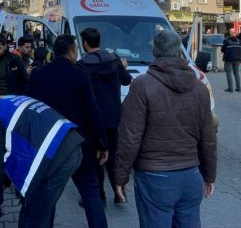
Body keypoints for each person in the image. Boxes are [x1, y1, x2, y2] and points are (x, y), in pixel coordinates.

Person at [113, 30, 216, 227]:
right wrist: (209, 174)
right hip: (190, 176)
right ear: (179, 51)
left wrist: (120, 176)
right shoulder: (199, 87)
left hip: (155, 178)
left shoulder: (142, 85)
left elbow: (130, 137)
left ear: (154, 51)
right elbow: (208, 137)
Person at [0, 93, 84, 227]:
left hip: (57, 158)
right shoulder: (5, 101)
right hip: (71, 144)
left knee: (32, 217)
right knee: (43, 209)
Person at [28, 34, 108, 228]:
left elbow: (30, 108)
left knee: (48, 196)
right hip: (80, 144)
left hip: (49, 144)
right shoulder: (80, 75)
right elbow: (92, 111)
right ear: (72, 52)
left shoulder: (38, 74)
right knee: (90, 192)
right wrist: (102, 143)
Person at [78, 27, 132, 205]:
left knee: (96, 159)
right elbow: (126, 80)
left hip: (93, 120)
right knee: (113, 156)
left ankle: (99, 196)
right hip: (113, 118)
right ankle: (119, 193)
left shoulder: (82, 65)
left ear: (85, 43)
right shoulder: (114, 59)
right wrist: (122, 67)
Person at [221, 28, 241, 92]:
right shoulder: (239, 41)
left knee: (229, 73)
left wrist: (223, 50)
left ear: (229, 33)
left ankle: (230, 88)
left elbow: (223, 49)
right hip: (237, 59)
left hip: (229, 59)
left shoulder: (226, 40)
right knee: (236, 73)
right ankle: (238, 88)